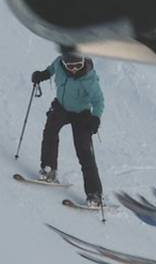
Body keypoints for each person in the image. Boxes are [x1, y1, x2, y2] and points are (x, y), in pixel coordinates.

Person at [31, 53, 105, 207]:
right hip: (61, 108)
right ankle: (49, 169)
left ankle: (94, 194)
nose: (73, 69)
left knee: (84, 152)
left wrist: (95, 118)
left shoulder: (89, 79)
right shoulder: (59, 63)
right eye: (70, 66)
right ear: (64, 63)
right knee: (50, 133)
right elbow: (51, 70)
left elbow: (98, 101)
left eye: (77, 65)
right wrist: (42, 75)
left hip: (82, 115)